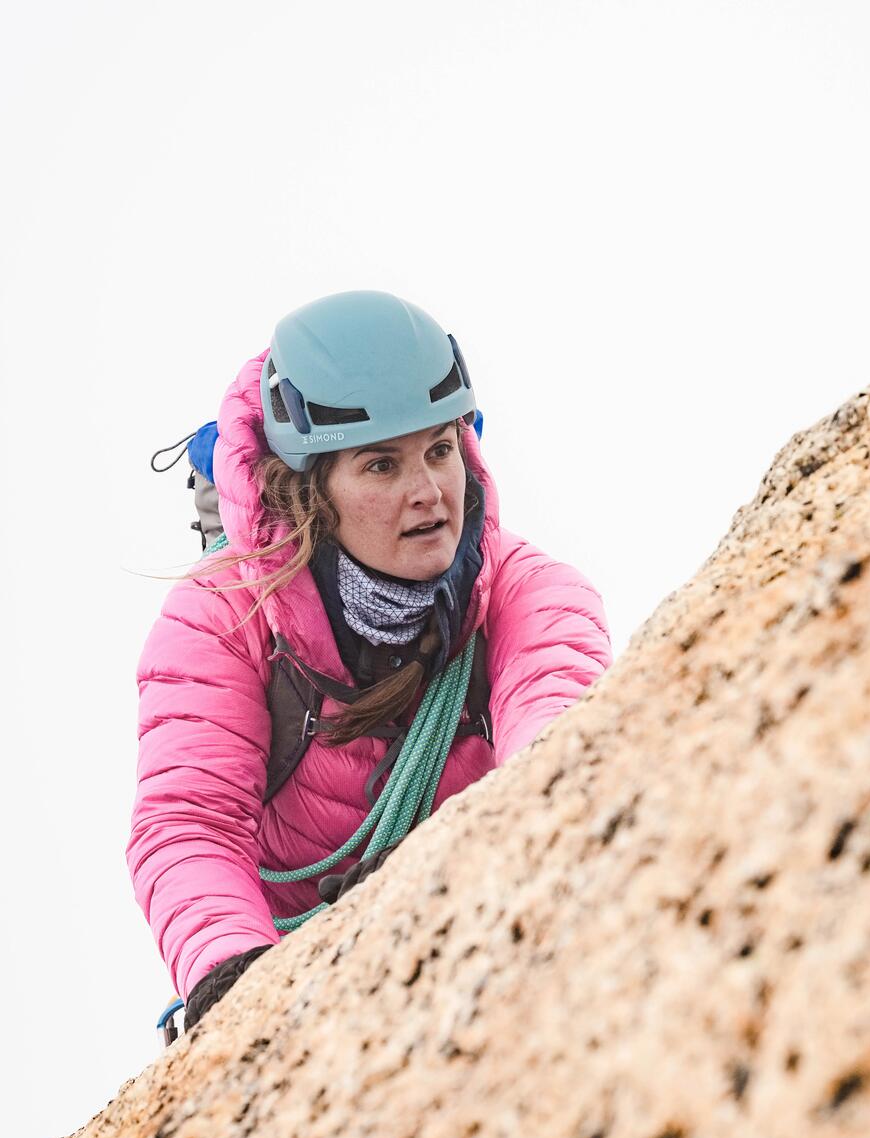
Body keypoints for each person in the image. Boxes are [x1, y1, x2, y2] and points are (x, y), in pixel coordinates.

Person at [128, 290, 612, 1032]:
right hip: (293, 976)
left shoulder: (527, 592)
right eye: (381, 465)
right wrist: (235, 979)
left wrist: (441, 873)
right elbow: (189, 822)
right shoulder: (225, 617)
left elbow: (559, 737)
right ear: (310, 490)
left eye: (441, 450)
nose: (428, 493)